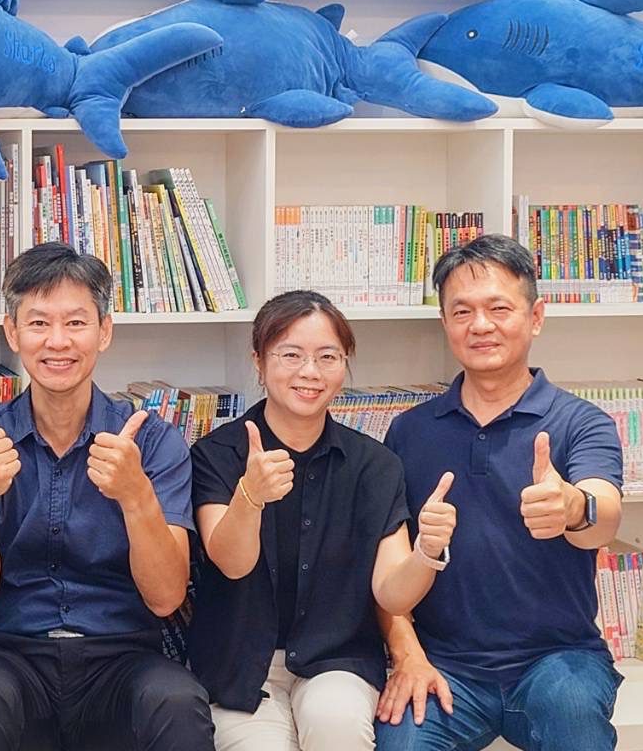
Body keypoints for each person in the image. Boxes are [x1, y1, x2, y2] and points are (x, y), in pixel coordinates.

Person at [0, 242, 214, 751]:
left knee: (178, 703)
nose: (57, 341)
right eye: (38, 323)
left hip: (123, 655)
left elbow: (166, 597)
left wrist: (136, 495)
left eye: (76, 323)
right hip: (10, 655)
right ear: (12, 332)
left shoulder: (152, 442)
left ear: (104, 331)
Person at [375, 234, 625, 751]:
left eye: (499, 308)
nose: (480, 325)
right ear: (445, 323)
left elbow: (604, 516)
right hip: (446, 666)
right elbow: (386, 575)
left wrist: (573, 507)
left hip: (559, 660)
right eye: (462, 312)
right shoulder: (409, 431)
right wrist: (408, 652)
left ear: (536, 317)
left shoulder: (582, 423)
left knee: (576, 720)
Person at [186, 290, 458, 751]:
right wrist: (249, 496)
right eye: (290, 355)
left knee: (338, 726)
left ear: (344, 363)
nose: (310, 372)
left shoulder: (375, 465)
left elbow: (391, 593)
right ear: (259, 361)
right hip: (239, 667)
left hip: (338, 661)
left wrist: (427, 553)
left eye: (327, 357)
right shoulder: (217, 454)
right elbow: (231, 562)